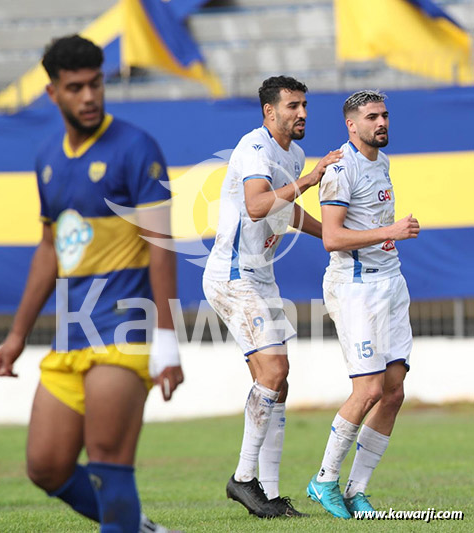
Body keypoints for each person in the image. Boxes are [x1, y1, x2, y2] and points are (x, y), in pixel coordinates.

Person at [0, 35, 184, 533]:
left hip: (123, 331)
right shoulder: (47, 159)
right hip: (70, 334)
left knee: (106, 464)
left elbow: (162, 245)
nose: (89, 96)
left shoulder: (137, 148)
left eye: (95, 84)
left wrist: (167, 337)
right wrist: (17, 335)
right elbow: (49, 250)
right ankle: (140, 528)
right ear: (52, 92)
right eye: (75, 87)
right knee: (46, 466)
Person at [202, 76, 342, 518]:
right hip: (233, 276)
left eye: (304, 105)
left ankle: (269, 495)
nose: (302, 113)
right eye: (292, 106)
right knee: (274, 370)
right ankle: (243, 480)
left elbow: (284, 210)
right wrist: (312, 179)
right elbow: (258, 205)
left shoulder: (294, 154)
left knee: (278, 383)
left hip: (261, 277)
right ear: (269, 111)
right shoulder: (255, 148)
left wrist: (333, 236)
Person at [306, 90, 420, 519]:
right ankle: (324, 480)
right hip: (357, 286)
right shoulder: (340, 169)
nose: (382, 122)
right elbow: (332, 238)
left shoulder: (381, 162)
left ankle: (357, 490)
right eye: (372, 117)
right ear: (351, 125)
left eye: (385, 115)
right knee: (369, 389)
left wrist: (389, 236)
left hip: (391, 282)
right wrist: (391, 231)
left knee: (393, 392)